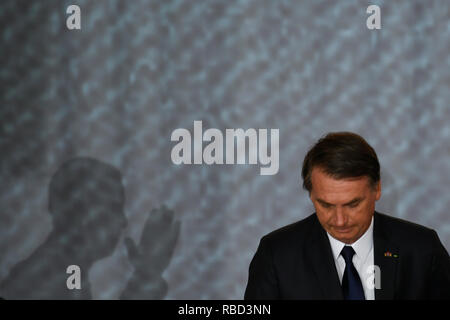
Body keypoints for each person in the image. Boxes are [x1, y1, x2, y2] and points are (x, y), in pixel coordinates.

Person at [244, 132, 450, 300]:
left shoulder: (421, 249)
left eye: (353, 204)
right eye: (326, 205)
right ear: (311, 194)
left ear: (377, 189)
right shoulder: (277, 255)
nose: (340, 220)